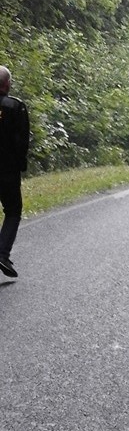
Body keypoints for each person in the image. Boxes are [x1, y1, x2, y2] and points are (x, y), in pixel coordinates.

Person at [0, 66, 30, 277]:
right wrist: (20, 165)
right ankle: (2, 253)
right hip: (7, 170)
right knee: (12, 211)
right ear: (7, 84)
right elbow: (21, 142)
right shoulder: (15, 107)